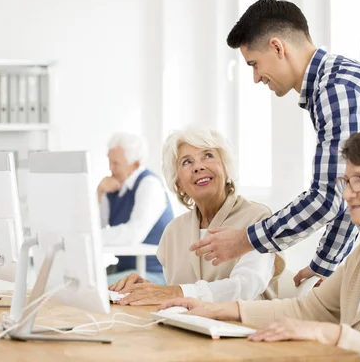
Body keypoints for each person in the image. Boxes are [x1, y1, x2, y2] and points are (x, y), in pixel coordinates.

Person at [192, 0, 360, 286]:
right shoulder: (332, 83)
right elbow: (348, 191)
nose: (255, 78)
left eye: (254, 64)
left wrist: (247, 240)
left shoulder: (336, 90)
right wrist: (323, 265)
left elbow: (328, 197)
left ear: (277, 47)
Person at [160, 123, 360, 362]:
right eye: (347, 182)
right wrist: (218, 309)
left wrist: (329, 332)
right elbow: (307, 309)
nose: (348, 194)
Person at [109, 126, 285, 305]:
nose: (198, 167)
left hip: (245, 329)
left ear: (226, 167)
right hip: (189, 329)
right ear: (178, 182)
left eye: (208, 155)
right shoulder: (174, 231)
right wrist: (145, 288)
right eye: (186, 162)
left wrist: (174, 292)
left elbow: (246, 287)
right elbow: (176, 296)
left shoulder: (257, 218)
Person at [98, 132, 174, 285]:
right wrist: (99, 193)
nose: (110, 168)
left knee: (97, 287)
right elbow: (95, 225)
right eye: (109, 161)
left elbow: (133, 234)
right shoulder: (113, 187)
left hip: (153, 272)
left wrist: (92, 237)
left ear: (135, 165)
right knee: (76, 282)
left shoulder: (149, 185)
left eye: (116, 163)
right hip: (125, 270)